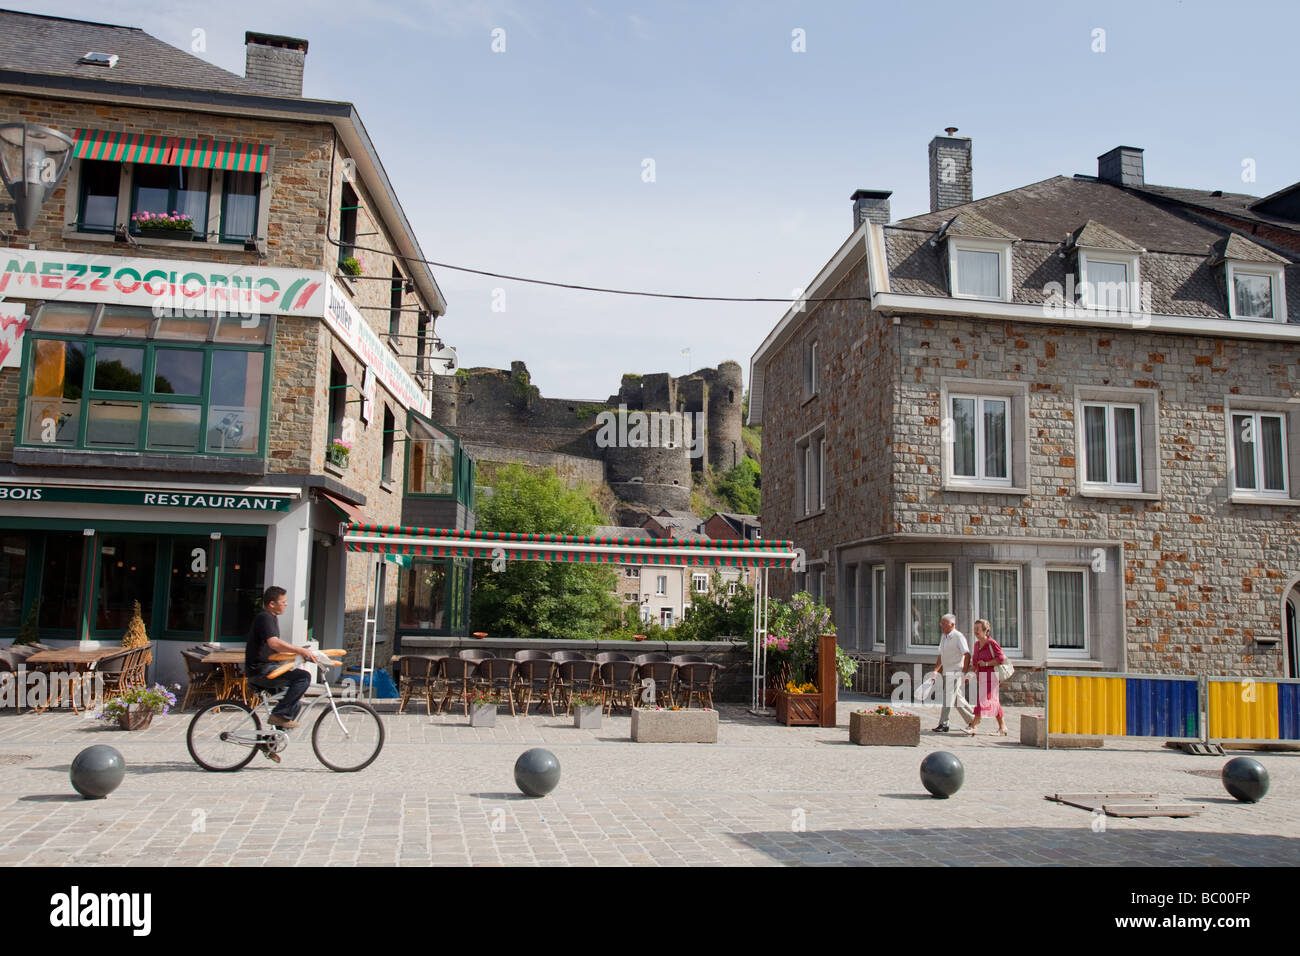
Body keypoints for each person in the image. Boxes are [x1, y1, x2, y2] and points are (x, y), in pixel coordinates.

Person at [244, 586, 314, 729]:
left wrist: (297, 654)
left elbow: (273, 647)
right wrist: (299, 650)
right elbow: (274, 643)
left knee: (294, 704)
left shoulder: (271, 618)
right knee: (303, 677)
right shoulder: (265, 617)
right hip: (261, 671)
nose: (286, 604)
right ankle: (278, 715)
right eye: (283, 602)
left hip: (264, 669)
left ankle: (271, 744)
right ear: (272, 604)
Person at [966, 618, 1008, 736]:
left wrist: (986, 663)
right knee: (993, 701)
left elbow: (1000, 659)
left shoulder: (991, 643)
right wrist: (970, 674)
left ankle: (974, 725)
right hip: (982, 677)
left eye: (978, 629)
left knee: (983, 700)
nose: (975, 631)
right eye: (974, 629)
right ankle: (1002, 727)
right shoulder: (976, 645)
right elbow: (975, 662)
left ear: (985, 631)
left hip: (993, 676)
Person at [932, 612, 973, 733]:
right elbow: (941, 655)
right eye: (941, 624)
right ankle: (973, 718)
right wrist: (935, 670)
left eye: (945, 624)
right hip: (947, 671)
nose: (942, 626)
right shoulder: (944, 637)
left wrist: (964, 671)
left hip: (955, 671)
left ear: (952, 624)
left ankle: (944, 723)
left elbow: (967, 654)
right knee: (956, 699)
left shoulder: (958, 636)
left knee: (948, 696)